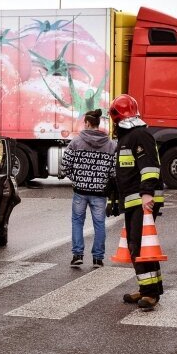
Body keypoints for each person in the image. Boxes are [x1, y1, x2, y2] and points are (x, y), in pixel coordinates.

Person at [108, 94, 165, 311]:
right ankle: (150, 288)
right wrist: (114, 199)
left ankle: (149, 293)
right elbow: (124, 173)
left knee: (137, 246)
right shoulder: (128, 137)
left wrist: (147, 194)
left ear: (117, 117)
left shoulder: (139, 135)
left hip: (142, 200)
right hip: (133, 200)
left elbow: (149, 166)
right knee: (142, 247)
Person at [60, 108, 116, 269]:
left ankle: (77, 255)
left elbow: (65, 166)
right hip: (99, 192)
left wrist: (75, 179)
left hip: (80, 191)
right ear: (98, 124)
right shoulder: (110, 144)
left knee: (77, 222)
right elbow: (113, 171)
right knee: (99, 224)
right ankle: (98, 258)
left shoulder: (76, 142)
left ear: (87, 123)